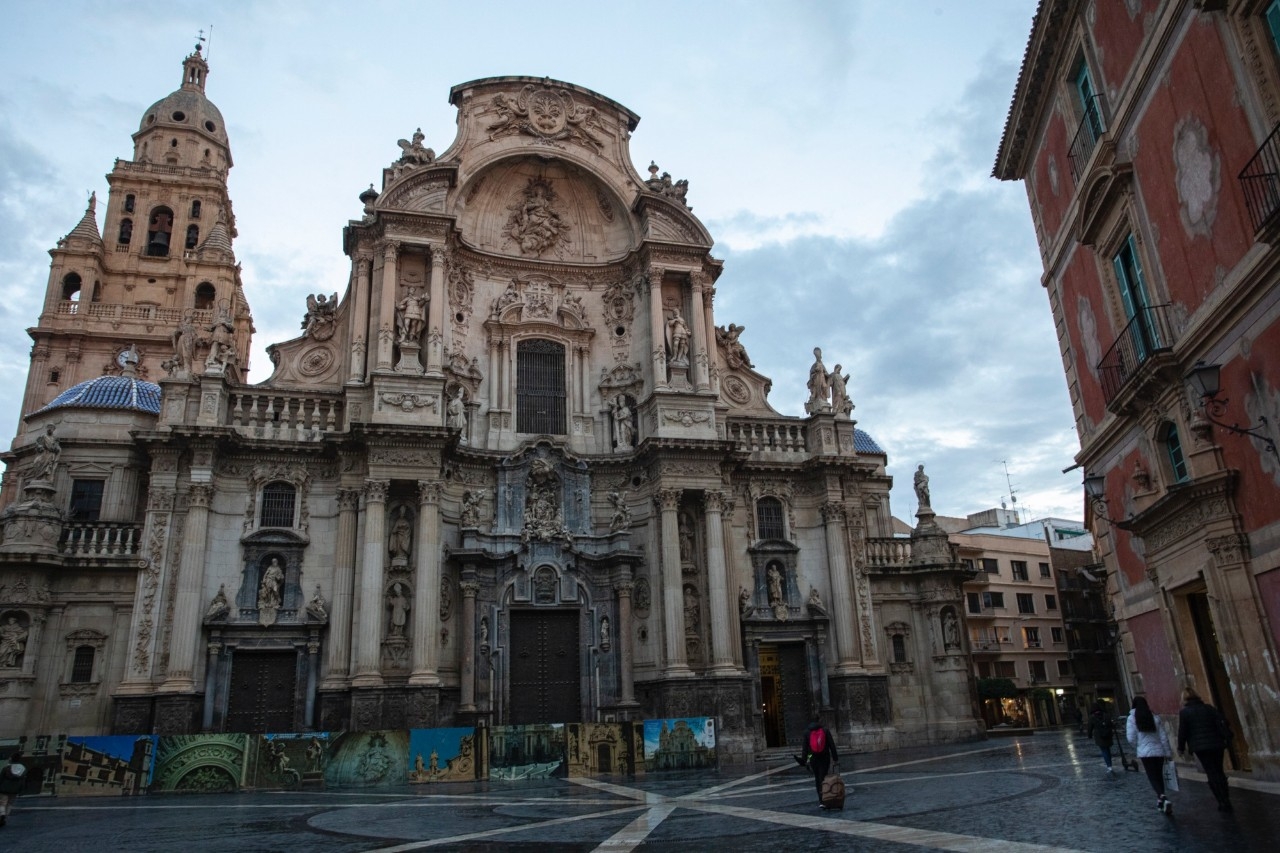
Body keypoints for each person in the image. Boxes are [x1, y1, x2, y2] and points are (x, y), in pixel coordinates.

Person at [1177, 686, 1233, 812]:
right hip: (1216, 744)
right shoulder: (1209, 708)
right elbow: (1224, 721)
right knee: (1219, 771)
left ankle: (1221, 800)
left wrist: (1180, 748)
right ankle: (1226, 798)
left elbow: (1183, 732)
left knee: (1211, 772)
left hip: (1200, 747)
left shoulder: (1185, 713)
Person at [1127, 696, 1174, 815]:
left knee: (1152, 776)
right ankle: (1161, 799)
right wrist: (1168, 752)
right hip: (1159, 751)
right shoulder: (1154, 717)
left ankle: (1162, 796)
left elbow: (1131, 738)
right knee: (1158, 775)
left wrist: (1137, 747)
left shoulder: (1132, 719)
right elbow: (1163, 738)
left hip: (1145, 752)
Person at [802, 716, 840, 809]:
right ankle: (827, 797)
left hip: (813, 759)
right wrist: (835, 758)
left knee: (817, 779)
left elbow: (805, 749)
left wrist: (806, 759)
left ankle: (821, 800)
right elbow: (832, 745)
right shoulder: (825, 730)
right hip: (824, 758)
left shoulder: (807, 732)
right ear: (819, 721)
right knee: (823, 777)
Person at [1086, 701, 1115, 774]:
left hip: (1099, 736)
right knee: (1108, 750)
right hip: (1108, 735)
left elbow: (1090, 728)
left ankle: (1109, 766)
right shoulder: (1106, 715)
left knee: (1104, 751)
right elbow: (1111, 724)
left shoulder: (1092, 717)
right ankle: (1110, 765)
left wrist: (1089, 735)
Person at [0, 750, 27, 827]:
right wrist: (21, 790)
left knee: (2, 803)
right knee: (10, 804)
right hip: (15, 790)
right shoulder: (23, 769)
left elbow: (1, 778)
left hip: (3, 789)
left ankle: (1, 814)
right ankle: (5, 817)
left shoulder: (6, 768)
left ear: (12, 758)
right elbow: (23, 780)